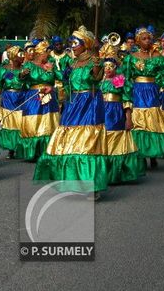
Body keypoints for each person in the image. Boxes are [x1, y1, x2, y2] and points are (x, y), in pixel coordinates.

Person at [34, 26, 109, 198]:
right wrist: (50, 88)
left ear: (86, 44)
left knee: (87, 143)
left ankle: (92, 185)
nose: (72, 46)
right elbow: (67, 83)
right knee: (68, 142)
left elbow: (95, 78)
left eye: (76, 43)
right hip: (73, 104)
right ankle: (73, 181)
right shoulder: (72, 63)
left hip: (89, 103)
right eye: (71, 43)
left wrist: (97, 64)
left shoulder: (94, 60)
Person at [98, 43, 145, 184]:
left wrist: (128, 118)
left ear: (116, 67)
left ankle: (117, 173)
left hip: (115, 112)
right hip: (101, 111)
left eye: (111, 67)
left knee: (115, 139)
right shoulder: (99, 81)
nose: (108, 69)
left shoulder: (119, 79)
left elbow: (126, 98)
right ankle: (104, 173)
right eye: (105, 66)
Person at [123, 26, 164, 168]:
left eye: (149, 38)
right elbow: (124, 76)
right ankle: (141, 154)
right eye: (144, 38)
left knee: (152, 123)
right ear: (137, 41)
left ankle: (153, 154)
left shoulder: (158, 57)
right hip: (137, 91)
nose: (147, 41)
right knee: (139, 123)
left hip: (153, 92)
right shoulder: (131, 58)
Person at [18, 40, 59, 160]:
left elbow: (54, 78)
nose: (49, 54)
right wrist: (22, 75)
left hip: (49, 97)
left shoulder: (50, 63)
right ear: (41, 53)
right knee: (33, 122)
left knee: (48, 123)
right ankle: (32, 152)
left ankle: (48, 149)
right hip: (33, 96)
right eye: (47, 52)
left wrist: (51, 70)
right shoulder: (29, 65)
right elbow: (21, 78)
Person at [0, 45, 25, 159]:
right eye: (20, 54)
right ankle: (11, 148)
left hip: (22, 98)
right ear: (14, 56)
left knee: (21, 123)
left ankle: (20, 147)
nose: (23, 56)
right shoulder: (4, 69)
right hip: (8, 99)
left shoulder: (25, 69)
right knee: (9, 123)